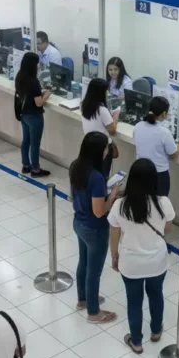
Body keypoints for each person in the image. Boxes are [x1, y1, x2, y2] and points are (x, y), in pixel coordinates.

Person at [108, 158, 175, 353]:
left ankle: (136, 341)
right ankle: (156, 331)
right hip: (157, 261)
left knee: (134, 302)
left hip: (131, 262)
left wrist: (114, 255)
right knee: (156, 295)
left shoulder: (120, 205)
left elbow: (114, 233)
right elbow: (167, 229)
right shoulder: (163, 203)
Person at [71, 132, 120, 324]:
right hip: (95, 228)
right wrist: (113, 194)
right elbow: (99, 211)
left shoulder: (76, 166)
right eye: (106, 147)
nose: (107, 151)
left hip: (79, 222)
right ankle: (93, 312)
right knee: (94, 271)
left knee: (83, 262)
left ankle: (83, 299)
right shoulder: (97, 177)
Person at [134, 96, 179, 196]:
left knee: (142, 201)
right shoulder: (164, 132)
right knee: (159, 203)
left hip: (140, 173)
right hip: (159, 176)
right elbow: (173, 155)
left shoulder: (138, 126)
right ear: (164, 114)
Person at [14, 52, 51, 178]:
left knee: (26, 140)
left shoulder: (20, 76)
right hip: (34, 115)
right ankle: (35, 169)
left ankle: (26, 165)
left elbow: (28, 94)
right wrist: (46, 95)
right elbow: (39, 103)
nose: (38, 66)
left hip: (24, 114)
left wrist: (39, 93)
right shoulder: (33, 81)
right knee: (35, 143)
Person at [80, 77, 119, 178]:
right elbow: (112, 130)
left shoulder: (84, 105)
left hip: (90, 144)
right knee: (103, 175)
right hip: (103, 146)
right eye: (106, 91)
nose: (107, 93)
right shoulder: (101, 109)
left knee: (93, 173)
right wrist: (115, 116)